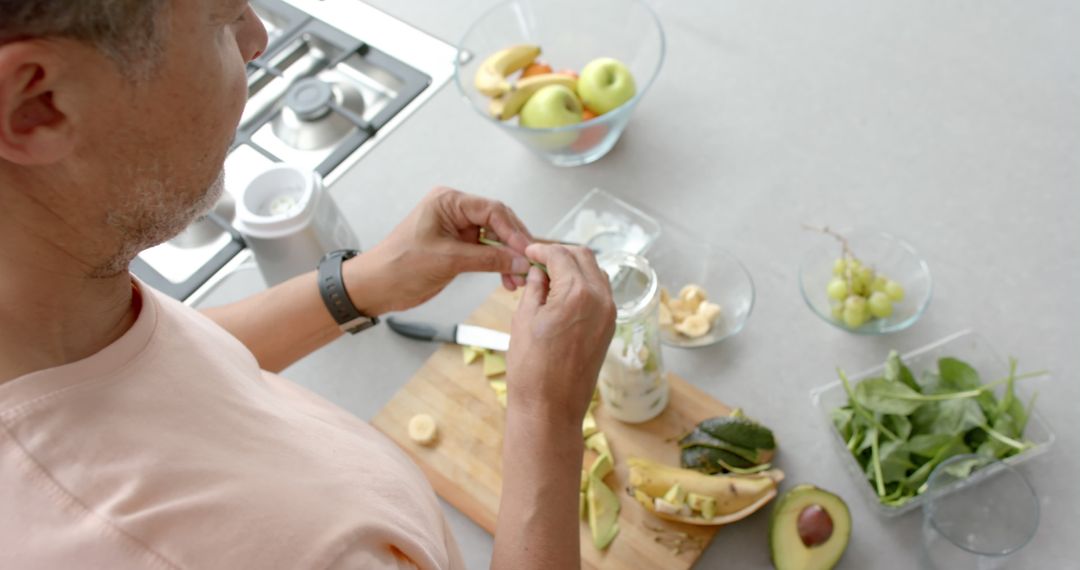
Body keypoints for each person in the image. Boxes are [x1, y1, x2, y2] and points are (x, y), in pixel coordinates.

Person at [0, 1, 616, 568]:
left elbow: (141, 378)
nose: (257, 39)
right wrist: (547, 415)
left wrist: (363, 284)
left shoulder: (51, 303)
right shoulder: (230, 549)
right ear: (38, 103)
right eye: (223, 17)